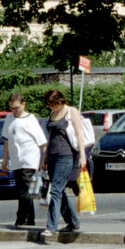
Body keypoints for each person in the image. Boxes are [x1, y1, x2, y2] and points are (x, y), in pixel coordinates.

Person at [39, 89, 87, 238]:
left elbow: (79, 133)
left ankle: (51, 227)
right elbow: (51, 137)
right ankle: (72, 222)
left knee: (55, 190)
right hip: (52, 155)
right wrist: (44, 158)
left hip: (66, 156)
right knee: (58, 191)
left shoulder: (71, 112)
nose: (51, 108)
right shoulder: (52, 114)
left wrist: (82, 156)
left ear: (60, 101)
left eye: (53, 104)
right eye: (49, 105)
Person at [1, 92, 47, 228]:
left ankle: (21, 218)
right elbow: (6, 139)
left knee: (25, 189)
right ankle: (29, 219)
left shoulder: (30, 119)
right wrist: (5, 159)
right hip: (16, 160)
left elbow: (42, 141)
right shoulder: (9, 118)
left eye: (17, 108)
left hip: (29, 158)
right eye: (12, 108)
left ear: (23, 104)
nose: (14, 111)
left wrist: (44, 160)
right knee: (22, 188)